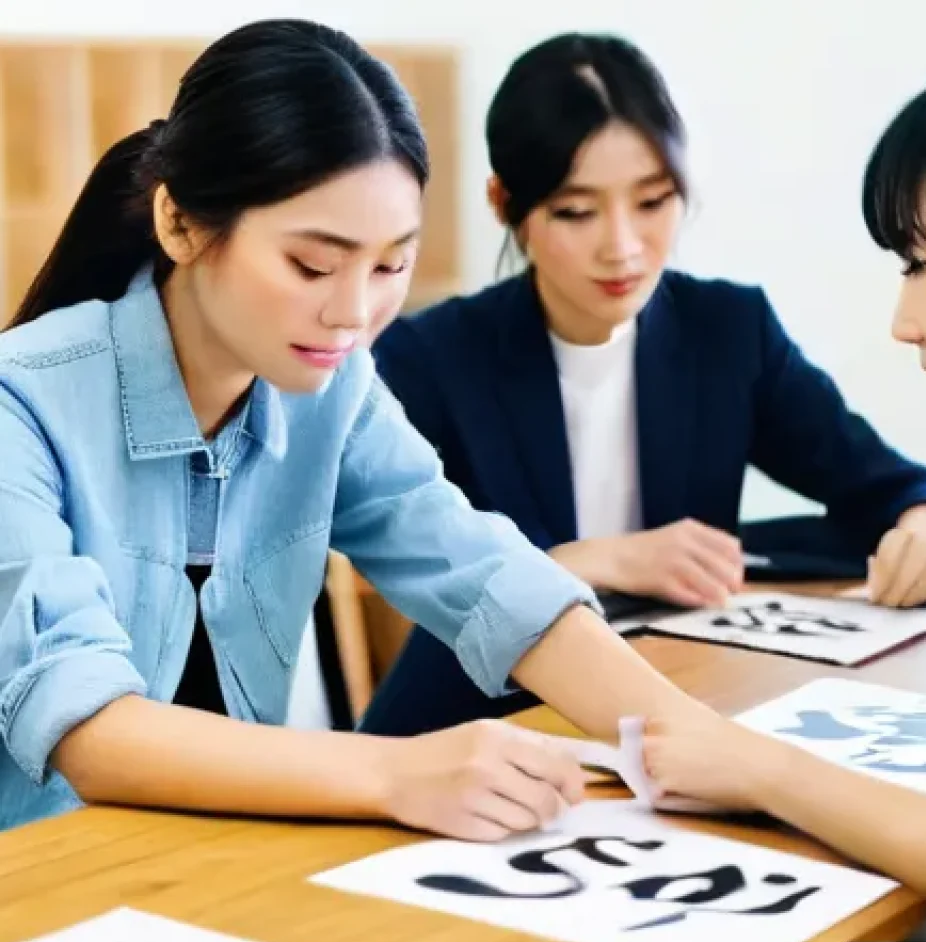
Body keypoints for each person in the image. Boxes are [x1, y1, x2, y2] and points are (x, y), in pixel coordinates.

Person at [0, 19, 717, 837]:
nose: (354, 314)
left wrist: (695, 740)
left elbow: (484, 573)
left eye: (389, 266)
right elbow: (90, 731)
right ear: (181, 226)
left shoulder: (333, 391)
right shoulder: (17, 405)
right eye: (312, 265)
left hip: (205, 871)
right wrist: (397, 769)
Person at [360, 33, 926, 737]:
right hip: (485, 726)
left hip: (684, 706)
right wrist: (595, 560)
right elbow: (415, 572)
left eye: (653, 202)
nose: (622, 246)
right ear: (505, 204)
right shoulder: (430, 357)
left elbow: (894, 484)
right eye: (576, 212)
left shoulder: (729, 332)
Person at [644, 30, 926, 940]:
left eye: (921, 264)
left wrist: (762, 769)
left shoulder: (726, 328)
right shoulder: (441, 349)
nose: (902, 319)